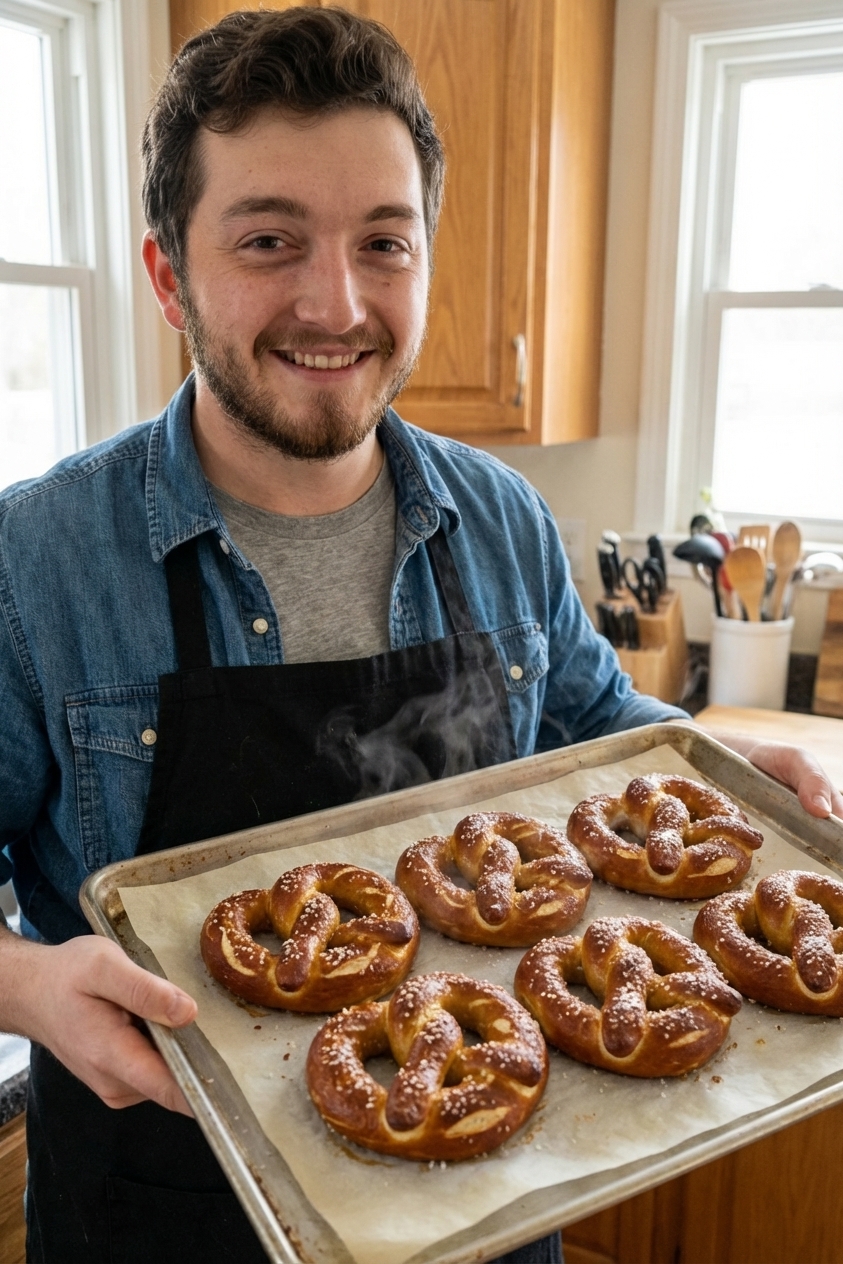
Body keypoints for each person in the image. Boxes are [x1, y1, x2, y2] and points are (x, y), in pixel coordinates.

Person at [0, 8, 840, 1263]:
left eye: (382, 242)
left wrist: (705, 755)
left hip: (489, 1178)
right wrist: (29, 991)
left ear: (426, 262)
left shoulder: (498, 514)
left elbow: (596, 728)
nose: (334, 303)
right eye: (270, 240)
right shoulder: (37, 560)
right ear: (170, 272)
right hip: (154, 1204)